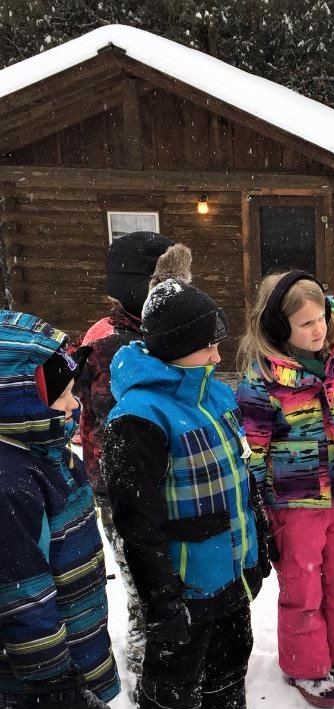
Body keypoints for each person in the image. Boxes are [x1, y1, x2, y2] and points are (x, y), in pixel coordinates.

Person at [101, 275, 275, 709]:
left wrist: (259, 543)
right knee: (172, 679)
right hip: (179, 580)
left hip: (228, 568)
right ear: (175, 349)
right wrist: (160, 600)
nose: (219, 353)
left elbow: (240, 478)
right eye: (208, 344)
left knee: (230, 660)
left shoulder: (215, 394)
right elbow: (135, 522)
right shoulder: (138, 418)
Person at [0, 310, 131, 709]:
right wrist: (52, 686)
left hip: (71, 657)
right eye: (66, 387)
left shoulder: (49, 454)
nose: (79, 396)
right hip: (36, 680)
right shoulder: (11, 484)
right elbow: (21, 600)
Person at [235, 270, 334, 708]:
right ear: (279, 327)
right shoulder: (262, 377)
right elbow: (251, 449)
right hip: (292, 503)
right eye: (305, 323)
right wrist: (255, 512)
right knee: (303, 590)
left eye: (321, 317)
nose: (319, 329)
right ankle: (305, 667)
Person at [79, 231, 180, 682]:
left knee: (168, 570)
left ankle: (172, 649)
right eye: (168, 281)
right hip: (121, 484)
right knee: (143, 578)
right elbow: (115, 410)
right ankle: (149, 666)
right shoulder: (110, 340)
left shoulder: (157, 330)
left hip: (165, 476)